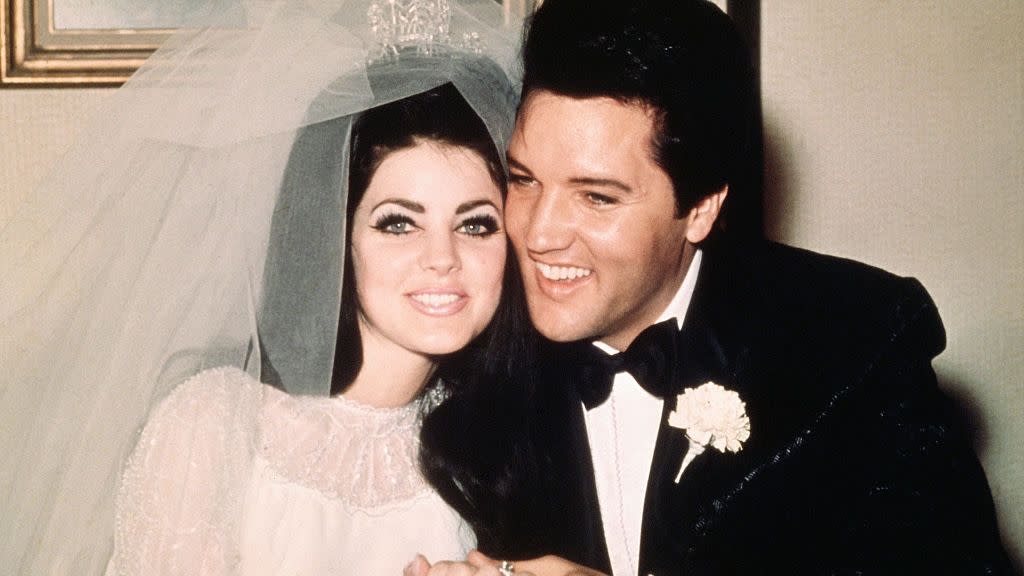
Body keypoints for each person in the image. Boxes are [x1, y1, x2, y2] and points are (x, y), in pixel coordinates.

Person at [418, 0, 1013, 574]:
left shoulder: (859, 341)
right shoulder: (469, 353)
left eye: (596, 197)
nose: (539, 233)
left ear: (701, 207)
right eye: (523, 180)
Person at [0, 1, 524, 574]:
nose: (442, 259)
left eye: (475, 224)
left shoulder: (509, 437)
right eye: (398, 223)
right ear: (332, 234)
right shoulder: (219, 426)